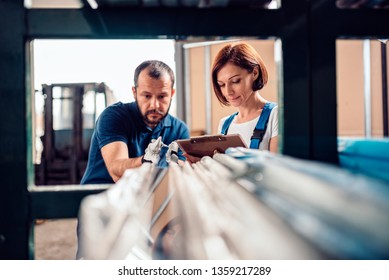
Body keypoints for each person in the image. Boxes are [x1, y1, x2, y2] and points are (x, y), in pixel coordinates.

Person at [80, 60, 190, 184]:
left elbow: (179, 177)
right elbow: (117, 174)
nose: (154, 105)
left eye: (162, 96)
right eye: (147, 96)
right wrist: (146, 161)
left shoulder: (179, 130)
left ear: (172, 94)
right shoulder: (114, 117)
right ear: (134, 92)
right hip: (97, 197)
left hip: (142, 198)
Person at [212, 41, 278, 153]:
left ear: (255, 73)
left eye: (235, 81)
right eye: (222, 85)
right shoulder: (224, 125)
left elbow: (277, 167)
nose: (228, 92)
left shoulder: (275, 115)